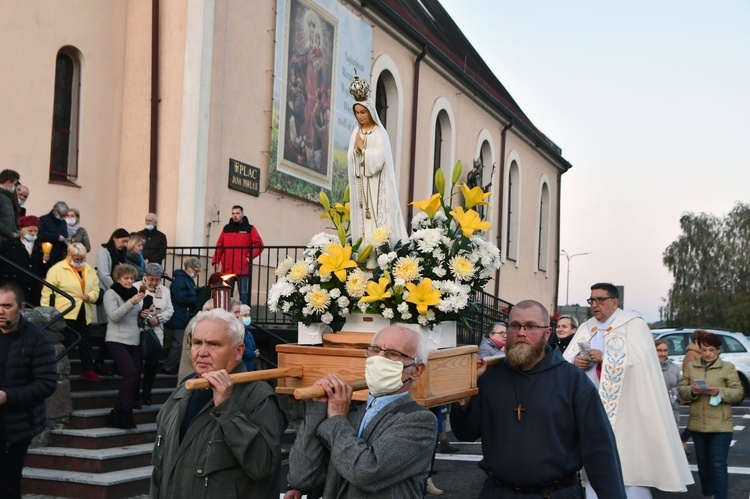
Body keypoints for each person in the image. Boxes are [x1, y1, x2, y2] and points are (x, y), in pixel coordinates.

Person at [451, 299, 626, 498]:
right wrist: (465, 393)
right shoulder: (490, 376)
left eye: (531, 326)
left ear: (547, 332)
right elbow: (466, 433)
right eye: (515, 326)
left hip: (555, 493)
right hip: (498, 492)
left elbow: (599, 449)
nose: (521, 333)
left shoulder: (572, 380)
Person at [563, 283, 693, 497]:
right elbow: (566, 361)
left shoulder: (633, 325)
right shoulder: (587, 327)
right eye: (592, 300)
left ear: (615, 302)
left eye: (600, 300)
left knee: (628, 468)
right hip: (587, 408)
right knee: (593, 469)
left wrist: (606, 358)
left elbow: (643, 364)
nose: (595, 305)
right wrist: (576, 361)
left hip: (626, 413)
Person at [285, 325, 437, 498]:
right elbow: (301, 477)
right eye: (375, 350)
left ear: (416, 370)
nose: (379, 359)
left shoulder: (419, 421)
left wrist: (336, 418)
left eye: (392, 354)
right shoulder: (351, 410)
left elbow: (365, 471)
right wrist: (317, 408)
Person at [150, 308, 287, 498]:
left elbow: (263, 466)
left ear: (239, 351)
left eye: (214, 344)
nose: (202, 352)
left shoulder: (258, 396)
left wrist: (226, 409)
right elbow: (159, 470)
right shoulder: (183, 390)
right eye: (197, 342)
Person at [0, 283, 56, 497]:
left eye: (7, 306)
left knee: (7, 485)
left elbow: (47, 383)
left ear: (21, 307)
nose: (0, 311)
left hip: (17, 425)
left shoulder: (36, 338)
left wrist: (8, 396)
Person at [346, 74, 407, 253]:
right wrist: (356, 151)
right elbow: (351, 157)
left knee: (375, 222)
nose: (360, 116)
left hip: (376, 186)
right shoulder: (355, 133)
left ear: (370, 112)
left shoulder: (379, 133)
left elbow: (379, 159)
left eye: (363, 112)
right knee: (362, 226)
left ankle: (378, 256)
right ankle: (364, 256)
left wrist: (363, 151)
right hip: (361, 187)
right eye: (357, 113)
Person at [677, 332, 742, 499]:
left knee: (718, 464)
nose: (707, 353)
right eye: (704, 350)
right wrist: (692, 390)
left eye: (711, 350)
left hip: (721, 425)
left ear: (718, 350)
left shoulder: (727, 368)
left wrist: (719, 391)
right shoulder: (692, 367)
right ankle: (709, 492)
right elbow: (682, 390)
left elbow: (738, 393)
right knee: (703, 464)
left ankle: (720, 496)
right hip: (698, 424)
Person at [41, 243, 101, 381]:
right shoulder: (57, 269)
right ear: (69, 255)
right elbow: (48, 291)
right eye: (76, 258)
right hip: (65, 311)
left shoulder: (88, 269)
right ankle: (56, 367)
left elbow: (95, 289)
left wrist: (90, 297)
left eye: (82, 258)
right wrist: (46, 311)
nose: (79, 261)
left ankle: (88, 369)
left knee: (86, 341)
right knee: (67, 340)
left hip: (83, 310)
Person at [103, 263, 147, 429]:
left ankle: (119, 412)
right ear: (118, 278)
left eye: (131, 278)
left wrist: (142, 314)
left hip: (133, 339)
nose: (129, 281)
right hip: (116, 339)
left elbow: (133, 317)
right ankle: (122, 412)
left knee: (135, 377)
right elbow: (114, 316)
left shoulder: (135, 294)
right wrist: (131, 303)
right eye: (126, 278)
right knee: (130, 373)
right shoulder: (111, 293)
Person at [211, 205, 264, 303]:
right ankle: (228, 315)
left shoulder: (250, 228)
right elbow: (219, 246)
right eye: (233, 213)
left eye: (237, 213)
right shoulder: (226, 228)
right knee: (227, 294)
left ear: (242, 214)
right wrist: (216, 260)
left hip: (242, 267)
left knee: (243, 293)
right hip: (228, 267)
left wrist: (249, 257)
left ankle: (244, 316)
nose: (235, 215)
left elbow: (259, 245)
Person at [137, 263, 173, 406]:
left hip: (156, 333)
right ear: (145, 277)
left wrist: (158, 318)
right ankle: (135, 396)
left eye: (157, 279)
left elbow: (170, 310)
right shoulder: (137, 287)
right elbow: (135, 307)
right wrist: (146, 318)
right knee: (137, 366)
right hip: (139, 331)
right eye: (152, 279)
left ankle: (146, 394)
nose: (155, 282)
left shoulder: (164, 290)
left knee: (152, 367)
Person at [0, 215, 50, 306]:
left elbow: (43, 271)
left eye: (36, 231)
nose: (33, 233)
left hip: (33, 291)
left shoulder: (40, 247)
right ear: (22, 230)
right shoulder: (9, 245)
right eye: (30, 231)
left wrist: (45, 261)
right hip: (14, 288)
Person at [163, 257, 202, 375]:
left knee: (180, 343)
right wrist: (197, 298)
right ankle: (169, 366)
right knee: (179, 343)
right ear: (189, 267)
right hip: (179, 316)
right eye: (196, 270)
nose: (197, 273)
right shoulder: (181, 280)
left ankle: (171, 365)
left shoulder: (186, 280)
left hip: (183, 315)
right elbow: (181, 299)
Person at [680, 329, 706, 454]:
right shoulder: (692, 354)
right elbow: (689, 373)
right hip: (696, 391)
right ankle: (682, 440)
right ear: (697, 341)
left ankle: (683, 440)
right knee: (696, 417)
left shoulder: (700, 353)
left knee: (698, 417)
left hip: (703, 390)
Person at [655, 339, 681, 427]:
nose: (663, 354)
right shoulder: (647, 369)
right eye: (659, 350)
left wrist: (673, 391)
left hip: (672, 410)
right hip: (655, 411)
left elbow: (680, 386)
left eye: (665, 350)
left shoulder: (675, 368)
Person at [38, 200, 70, 267]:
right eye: (62, 215)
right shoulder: (43, 219)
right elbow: (40, 234)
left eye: (65, 215)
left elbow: (65, 234)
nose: (63, 217)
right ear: (55, 211)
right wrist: (57, 237)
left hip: (59, 256)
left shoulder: (63, 222)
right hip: (46, 254)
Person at [0, 169, 21, 243]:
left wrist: (16, 232)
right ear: (8, 182)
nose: (14, 188)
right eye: (14, 184)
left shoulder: (7, 197)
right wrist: (11, 234)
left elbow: (10, 219)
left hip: (6, 240)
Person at [239, 304, 258, 372]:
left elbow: (252, 345)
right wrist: (253, 354)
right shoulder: (238, 332)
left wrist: (256, 351)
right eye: (245, 315)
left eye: (248, 315)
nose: (248, 317)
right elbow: (241, 348)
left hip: (251, 366)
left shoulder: (247, 331)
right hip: (244, 367)